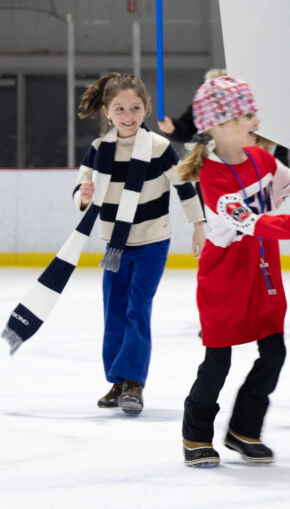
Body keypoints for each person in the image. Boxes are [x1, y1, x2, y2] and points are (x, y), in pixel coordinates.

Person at [176, 76, 290, 467]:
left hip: (263, 273)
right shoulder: (212, 176)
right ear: (219, 123)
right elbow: (244, 220)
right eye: (246, 114)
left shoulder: (262, 158)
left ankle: (245, 429)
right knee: (219, 361)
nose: (255, 119)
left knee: (274, 351)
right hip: (226, 278)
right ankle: (195, 435)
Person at [75, 72, 205, 416]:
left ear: (145, 108)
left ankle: (134, 382)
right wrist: (83, 196)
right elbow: (82, 187)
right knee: (114, 310)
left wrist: (198, 226)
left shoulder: (159, 148)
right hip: (115, 244)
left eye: (135, 107)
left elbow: (184, 187)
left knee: (136, 308)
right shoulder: (100, 149)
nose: (128, 115)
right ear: (107, 112)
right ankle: (117, 381)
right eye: (120, 109)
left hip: (152, 243)